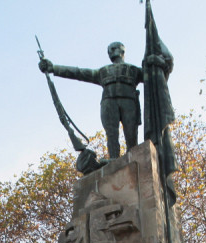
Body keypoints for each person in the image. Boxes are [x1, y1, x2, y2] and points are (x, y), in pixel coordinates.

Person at [39, 42, 172, 159]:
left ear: (122, 51)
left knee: (131, 134)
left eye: (114, 48)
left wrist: (159, 62)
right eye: (109, 50)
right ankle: (114, 158)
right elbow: (79, 72)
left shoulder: (133, 70)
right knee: (111, 133)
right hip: (109, 102)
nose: (111, 51)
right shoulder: (103, 71)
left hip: (129, 102)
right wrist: (53, 68)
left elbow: (156, 77)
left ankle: (134, 157)